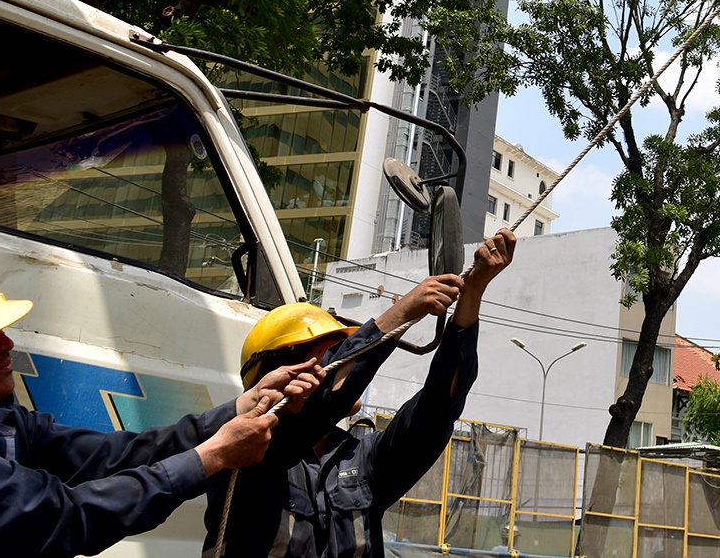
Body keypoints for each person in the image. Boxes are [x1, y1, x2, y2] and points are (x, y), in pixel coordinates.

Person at [0, 248, 323, 558]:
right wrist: (213, 456)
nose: (7, 345)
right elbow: (70, 517)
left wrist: (235, 411)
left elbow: (111, 457)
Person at [203, 228, 517, 558]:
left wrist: (473, 292)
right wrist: (402, 312)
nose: (348, 369)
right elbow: (326, 398)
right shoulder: (243, 449)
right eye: (332, 356)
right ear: (275, 377)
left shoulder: (361, 461)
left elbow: (437, 409)